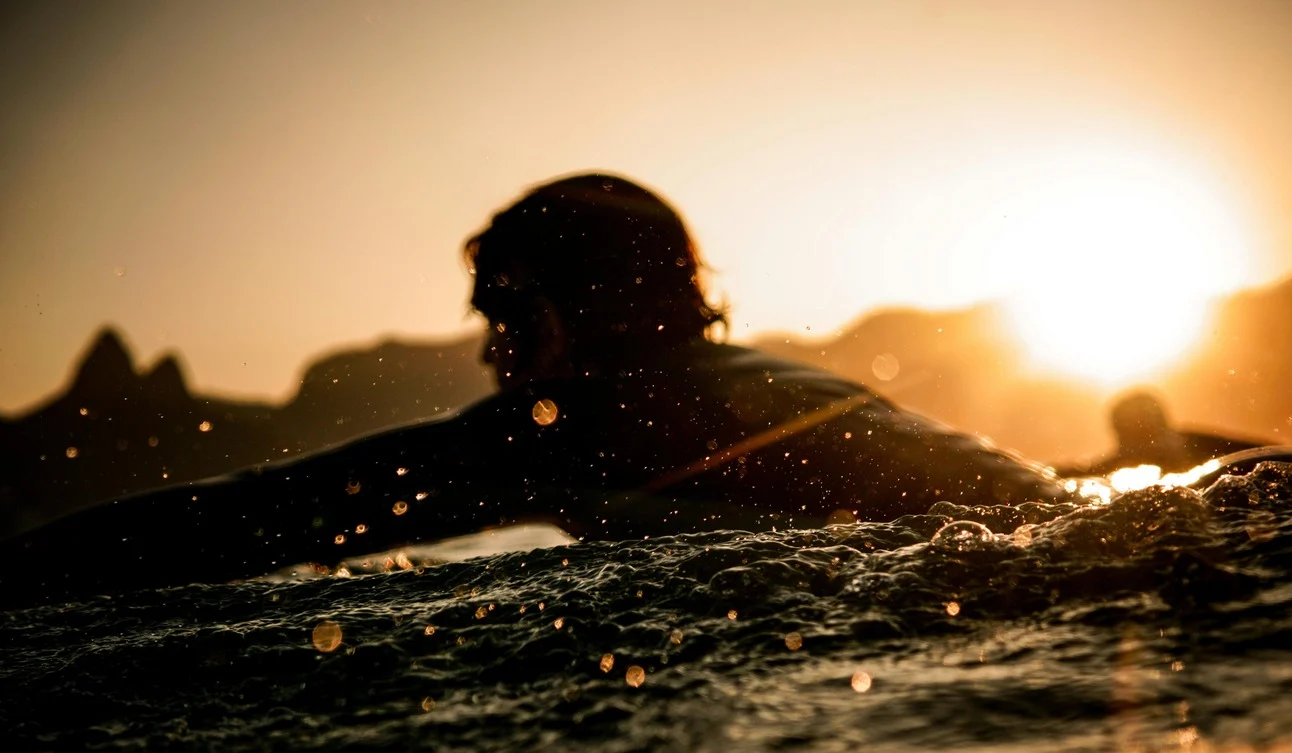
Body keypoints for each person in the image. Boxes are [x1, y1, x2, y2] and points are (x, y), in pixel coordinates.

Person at [1, 173, 1074, 608]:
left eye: (503, 317)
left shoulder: (587, 416)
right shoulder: (781, 384)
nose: (492, 357)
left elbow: (262, 517)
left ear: (573, 309)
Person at [1056, 391, 1270, 477]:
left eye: (1148, 433)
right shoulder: (1114, 468)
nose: (1147, 448)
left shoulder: (1202, 444)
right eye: (1133, 437)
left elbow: (1270, 453)